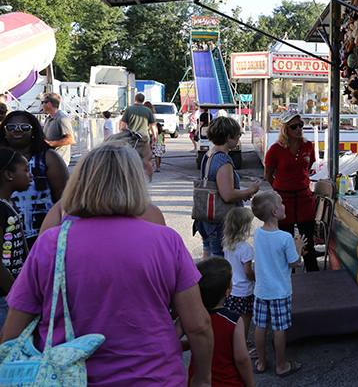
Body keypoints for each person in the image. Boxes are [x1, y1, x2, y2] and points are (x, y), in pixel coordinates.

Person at [0, 144, 214, 386]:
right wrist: (202, 379)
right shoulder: (166, 241)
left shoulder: (52, 242)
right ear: (136, 183)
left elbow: (12, 334)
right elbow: (198, 325)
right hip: (154, 377)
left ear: (79, 184)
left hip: (66, 378)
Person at [39, 129, 167, 233]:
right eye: (149, 159)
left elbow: (42, 255)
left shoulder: (64, 207)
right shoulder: (149, 214)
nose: (152, 164)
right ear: (133, 165)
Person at [250, 191, 305, 378]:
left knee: (260, 326)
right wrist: (298, 246)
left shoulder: (258, 233)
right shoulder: (285, 238)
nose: (284, 206)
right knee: (278, 329)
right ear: (275, 212)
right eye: (281, 203)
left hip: (261, 290)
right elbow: (294, 262)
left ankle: (262, 362)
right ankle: (281, 365)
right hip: (280, 292)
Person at [0, 111, 69, 246]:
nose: (17, 130)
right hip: (6, 234)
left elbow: (64, 197)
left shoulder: (48, 157)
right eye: (11, 127)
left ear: (34, 132)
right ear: (4, 131)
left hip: (43, 234)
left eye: (25, 127)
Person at [184, 257, 255, 387]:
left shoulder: (192, 317)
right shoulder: (234, 321)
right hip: (229, 382)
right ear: (227, 292)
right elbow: (242, 359)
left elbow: (173, 342)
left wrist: (192, 343)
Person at [196, 117, 261, 259]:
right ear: (229, 137)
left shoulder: (209, 154)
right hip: (220, 222)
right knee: (220, 266)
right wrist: (251, 190)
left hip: (206, 220)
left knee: (208, 261)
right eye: (238, 135)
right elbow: (227, 195)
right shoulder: (223, 160)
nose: (238, 139)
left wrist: (242, 193)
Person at [263, 111, 318, 271]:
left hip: (304, 199)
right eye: (294, 126)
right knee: (284, 242)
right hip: (283, 201)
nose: (299, 129)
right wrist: (280, 190)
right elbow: (268, 174)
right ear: (286, 129)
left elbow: (308, 167)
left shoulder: (308, 146)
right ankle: (287, 276)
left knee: (307, 241)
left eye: (301, 125)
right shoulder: (275, 149)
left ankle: (314, 277)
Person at [0, 149, 32, 329]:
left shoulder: (9, 205)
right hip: (5, 297)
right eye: (26, 170)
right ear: (9, 175)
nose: (31, 175)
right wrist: (17, 293)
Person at [222, 207, 255, 345]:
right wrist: (256, 278)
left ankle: (233, 340)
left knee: (233, 317)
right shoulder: (246, 248)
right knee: (245, 318)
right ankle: (242, 343)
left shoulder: (227, 244)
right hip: (244, 290)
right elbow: (247, 271)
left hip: (233, 288)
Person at [41, 92, 75, 167]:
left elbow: (70, 139)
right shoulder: (48, 118)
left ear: (48, 104)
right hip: (50, 159)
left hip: (60, 161)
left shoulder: (62, 118)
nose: (41, 105)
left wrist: (50, 144)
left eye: (42, 102)